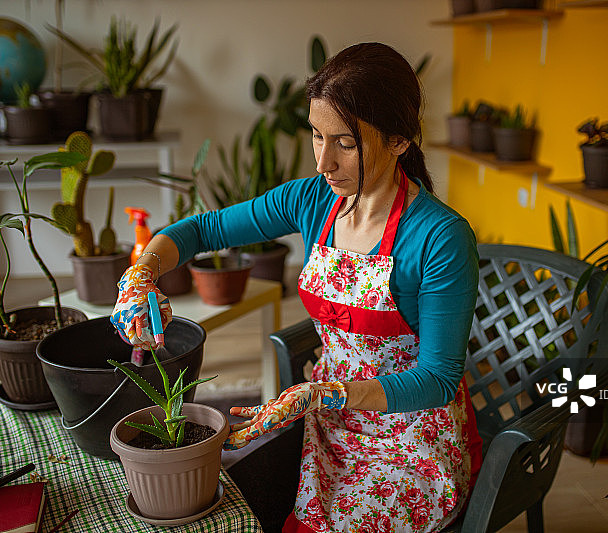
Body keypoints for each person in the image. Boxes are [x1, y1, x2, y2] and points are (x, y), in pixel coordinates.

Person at [111, 42, 482, 533]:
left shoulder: (441, 237)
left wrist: (318, 395)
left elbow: (436, 379)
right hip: (329, 421)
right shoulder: (311, 200)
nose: (323, 162)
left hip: (412, 436)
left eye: (345, 143)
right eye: (316, 135)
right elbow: (200, 231)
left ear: (398, 141)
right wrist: (140, 274)